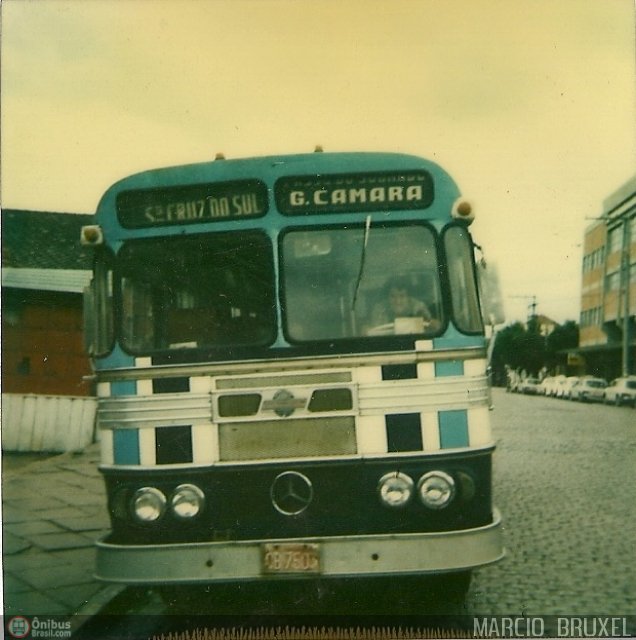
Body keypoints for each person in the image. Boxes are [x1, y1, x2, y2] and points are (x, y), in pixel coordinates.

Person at [369, 276, 440, 332]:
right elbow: (374, 331)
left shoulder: (418, 307)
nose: (398, 301)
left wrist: (433, 323)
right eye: (392, 296)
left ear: (408, 297)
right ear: (387, 297)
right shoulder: (380, 309)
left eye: (402, 296)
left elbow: (431, 326)